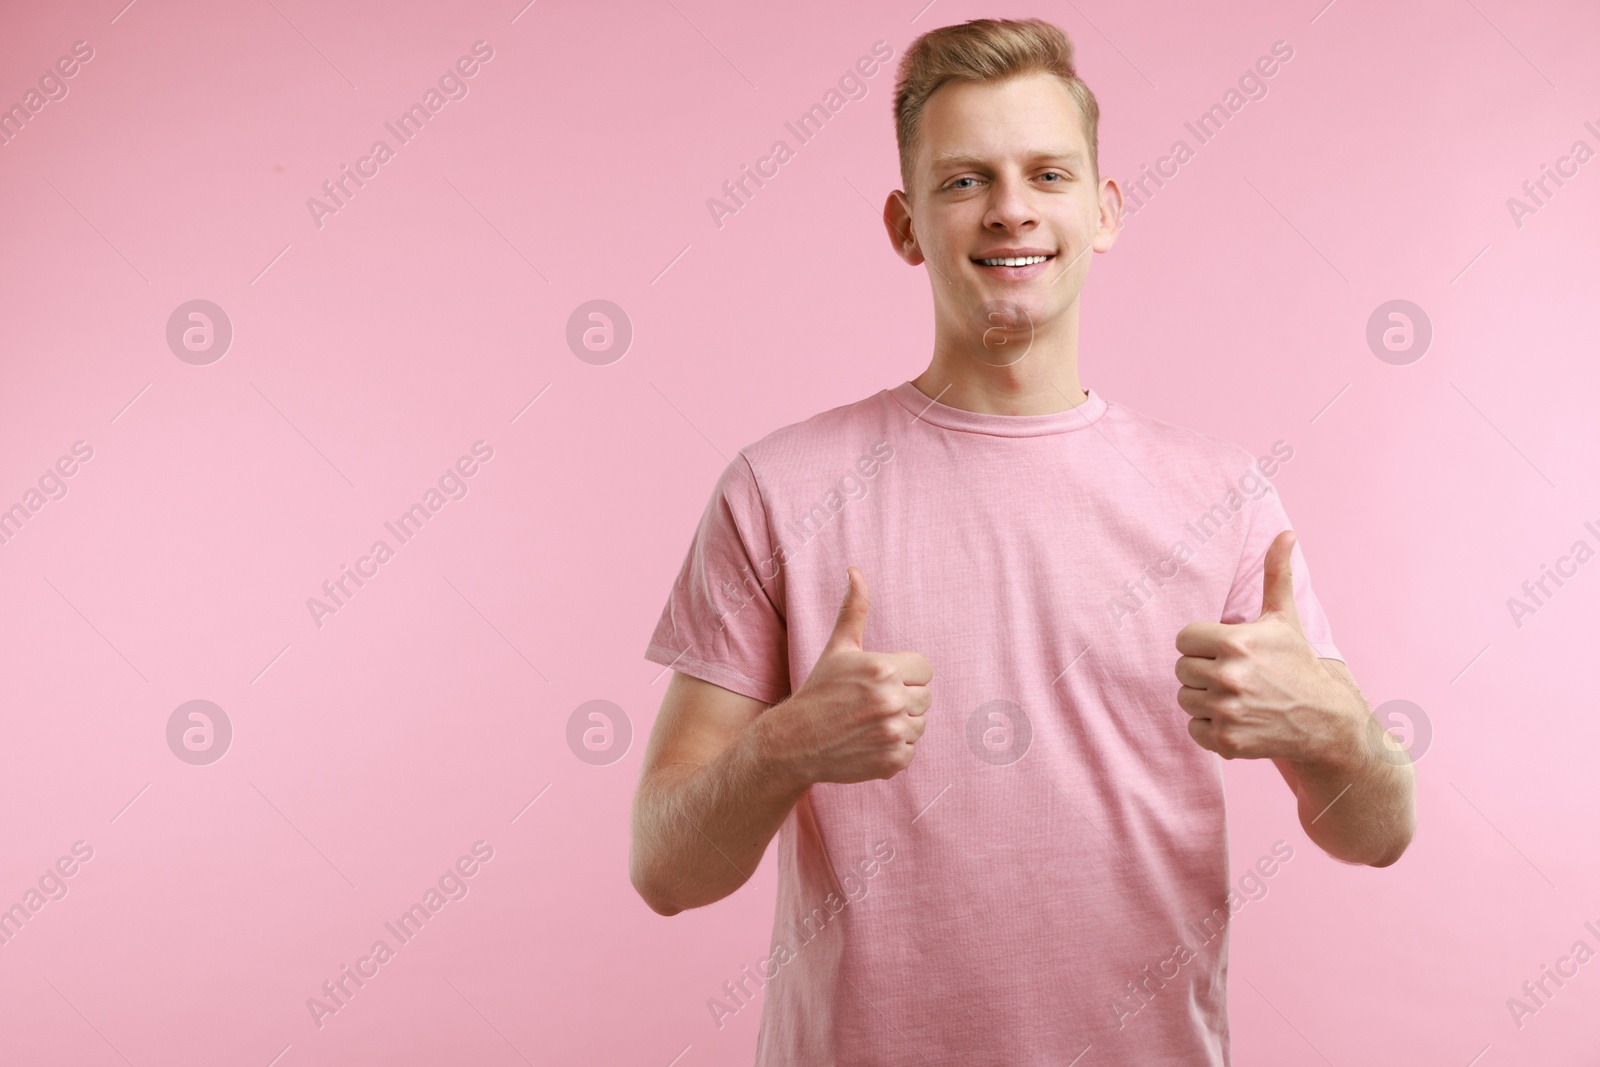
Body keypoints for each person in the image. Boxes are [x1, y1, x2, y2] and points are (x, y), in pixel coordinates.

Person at [629, 16, 1415, 1065]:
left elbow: (1379, 831)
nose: (1009, 209)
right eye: (963, 182)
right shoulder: (779, 489)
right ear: (905, 225)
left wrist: (1332, 732)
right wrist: (784, 746)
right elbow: (665, 869)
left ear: (1104, 211)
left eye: (1046, 173)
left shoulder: (1222, 496)